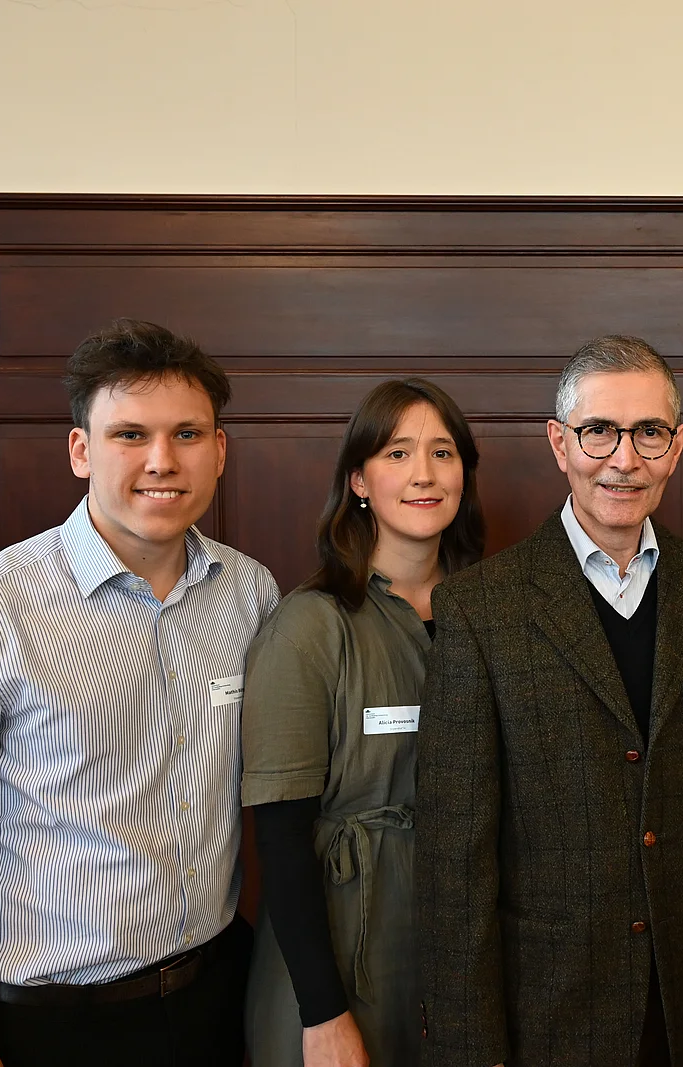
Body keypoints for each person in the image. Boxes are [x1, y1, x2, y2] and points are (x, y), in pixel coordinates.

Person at [0, 320, 279, 1067]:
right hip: (49, 1026)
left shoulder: (251, 593)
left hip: (217, 997)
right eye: (129, 434)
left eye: (188, 434)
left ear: (220, 450)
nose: (162, 461)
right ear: (81, 450)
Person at [417, 335, 683, 1067]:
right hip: (551, 1009)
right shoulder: (480, 609)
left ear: (679, 445)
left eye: (650, 433)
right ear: (559, 442)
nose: (624, 457)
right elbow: (457, 864)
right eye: (599, 430)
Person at [241, 378, 485, 1067]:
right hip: (341, 962)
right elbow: (281, 839)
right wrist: (322, 1012)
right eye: (398, 453)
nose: (424, 474)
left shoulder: (491, 613)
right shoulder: (310, 625)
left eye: (443, 452)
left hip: (456, 953)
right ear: (358, 479)